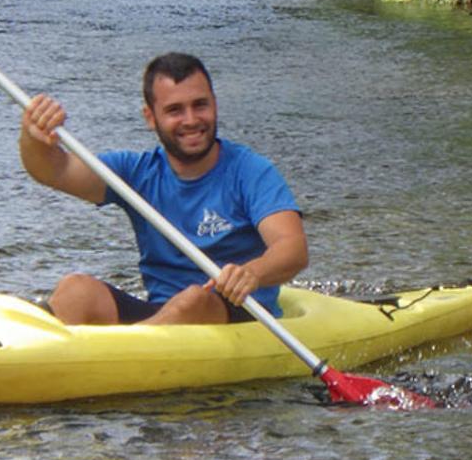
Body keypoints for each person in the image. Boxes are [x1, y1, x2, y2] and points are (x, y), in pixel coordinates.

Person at [19, 52, 308, 325]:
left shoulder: (250, 171)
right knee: (76, 289)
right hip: (161, 313)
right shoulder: (134, 173)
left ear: (215, 105)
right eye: (174, 110)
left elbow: (292, 248)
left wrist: (252, 273)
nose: (191, 120)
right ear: (150, 117)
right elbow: (54, 171)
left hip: (238, 312)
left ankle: (125, 351)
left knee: (194, 298)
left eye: (200, 105)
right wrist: (34, 137)